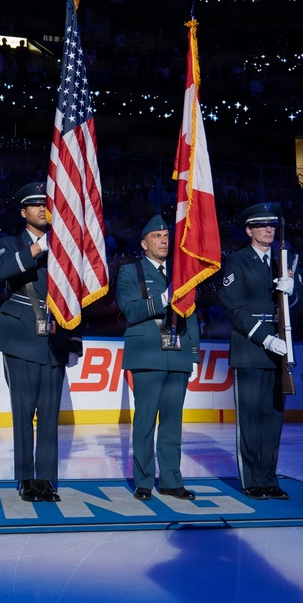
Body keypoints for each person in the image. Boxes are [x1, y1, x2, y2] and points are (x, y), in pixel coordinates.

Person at [0, 183, 81, 502]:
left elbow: (75, 295)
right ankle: (26, 478)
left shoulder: (65, 247)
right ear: (23, 212)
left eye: (46, 204)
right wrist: (38, 248)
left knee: (50, 414)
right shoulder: (10, 242)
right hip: (20, 336)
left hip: (55, 335)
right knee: (23, 412)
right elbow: (1, 270)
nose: (43, 209)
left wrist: (74, 341)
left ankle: (46, 479)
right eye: (35, 205)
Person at [115, 215, 201, 502]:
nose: (164, 240)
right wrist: (163, 299)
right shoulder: (131, 272)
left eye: (166, 235)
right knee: (145, 422)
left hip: (177, 356)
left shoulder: (182, 273)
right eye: (156, 236)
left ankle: (171, 480)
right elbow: (131, 311)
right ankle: (143, 481)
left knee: (172, 423)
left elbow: (192, 315)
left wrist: (194, 354)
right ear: (144, 243)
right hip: (147, 355)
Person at [220, 202, 302, 500]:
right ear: (249, 230)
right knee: (251, 419)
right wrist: (266, 338)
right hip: (252, 348)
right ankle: (251, 480)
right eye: (262, 225)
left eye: (272, 225)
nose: (269, 229)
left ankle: (269, 478)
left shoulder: (286, 260)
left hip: (280, 350)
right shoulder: (237, 261)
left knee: (273, 420)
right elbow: (234, 308)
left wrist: (292, 291)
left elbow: (295, 306)